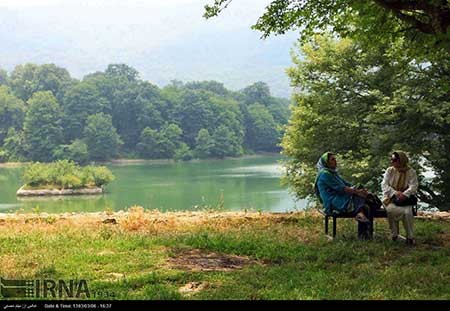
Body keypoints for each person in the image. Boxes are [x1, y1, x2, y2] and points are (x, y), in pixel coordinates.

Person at [314, 152, 372, 238]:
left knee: (364, 203)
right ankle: (361, 215)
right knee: (361, 198)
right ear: (326, 162)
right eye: (332, 159)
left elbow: (346, 184)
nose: (335, 161)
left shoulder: (333, 173)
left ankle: (364, 234)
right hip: (333, 201)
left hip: (341, 196)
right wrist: (358, 192)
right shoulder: (325, 174)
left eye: (335, 159)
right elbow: (341, 188)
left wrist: (358, 189)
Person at [381, 151, 418, 246]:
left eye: (394, 160)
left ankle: (410, 237)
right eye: (392, 159)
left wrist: (404, 194)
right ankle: (395, 234)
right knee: (390, 210)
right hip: (391, 198)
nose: (392, 162)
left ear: (401, 160)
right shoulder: (390, 170)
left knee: (408, 212)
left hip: (405, 199)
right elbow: (384, 185)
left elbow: (413, 186)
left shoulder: (411, 172)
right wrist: (395, 193)